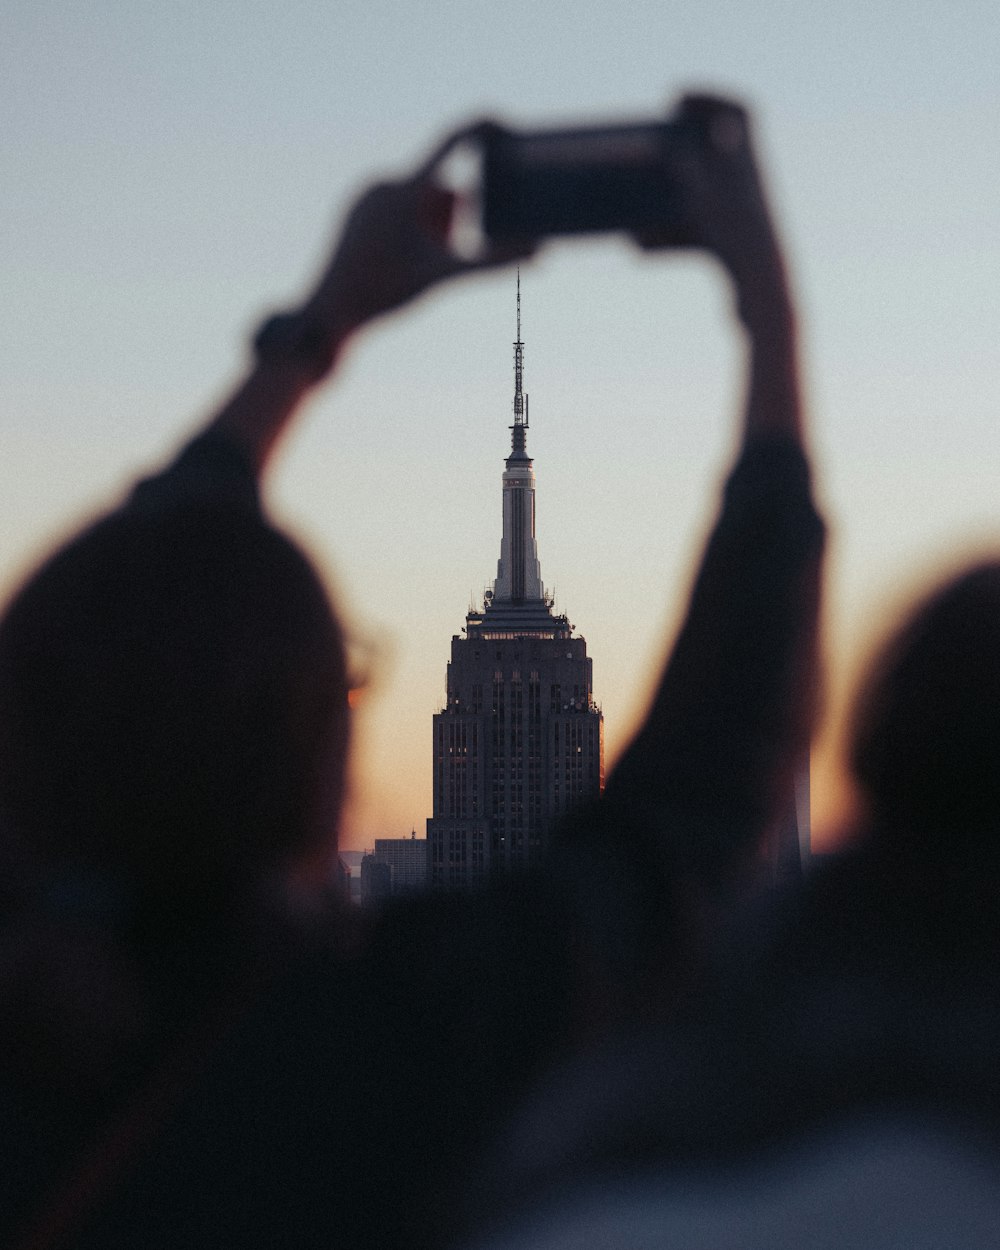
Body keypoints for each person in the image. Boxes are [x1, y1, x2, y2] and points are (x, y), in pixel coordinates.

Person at [0, 96, 822, 1249]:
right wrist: (772, 321)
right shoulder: (380, 1043)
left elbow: (124, 616)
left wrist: (315, 328)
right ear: (309, 764)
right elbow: (708, 784)